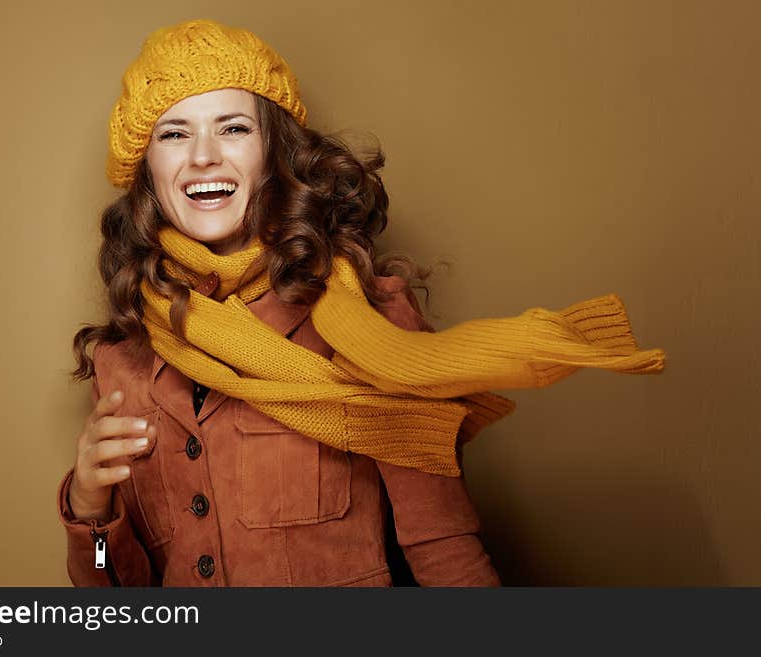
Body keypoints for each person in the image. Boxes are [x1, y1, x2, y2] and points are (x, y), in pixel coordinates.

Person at [57, 19, 665, 587]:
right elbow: (113, 593)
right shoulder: (124, 361)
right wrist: (90, 515)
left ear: (275, 153)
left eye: (234, 127)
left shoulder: (371, 325)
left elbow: (442, 545)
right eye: (174, 133)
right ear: (147, 170)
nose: (203, 155)